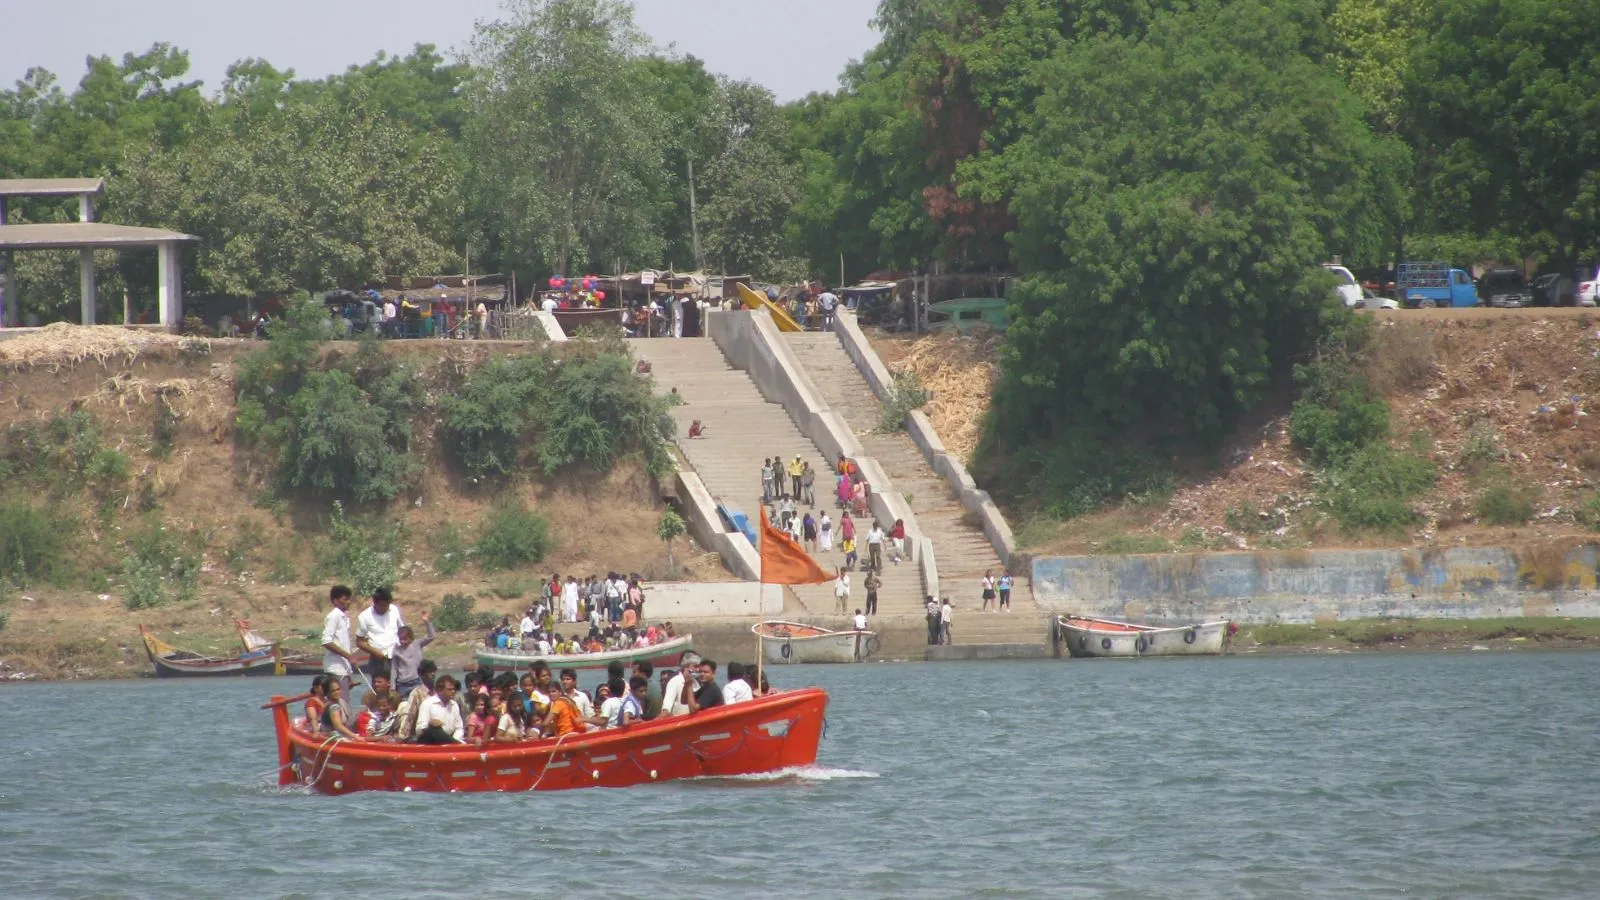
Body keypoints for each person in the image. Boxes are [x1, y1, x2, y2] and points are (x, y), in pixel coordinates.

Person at [355, 586, 404, 681]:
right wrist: (374, 651)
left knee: (398, 685)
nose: (385, 608)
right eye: (382, 605)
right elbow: (359, 642)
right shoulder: (364, 616)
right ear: (374, 602)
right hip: (378, 659)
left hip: (396, 655)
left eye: (387, 605)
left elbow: (402, 630)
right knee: (379, 686)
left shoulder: (394, 610)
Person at [320, 585, 358, 697]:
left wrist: (349, 675)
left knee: (344, 702)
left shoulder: (344, 617)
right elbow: (326, 641)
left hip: (343, 669)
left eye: (349, 599)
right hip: (335, 668)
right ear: (336, 600)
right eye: (345, 599)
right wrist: (349, 656)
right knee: (340, 702)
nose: (349, 602)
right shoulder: (334, 616)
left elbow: (343, 643)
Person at [395, 660, 439, 741]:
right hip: (423, 733)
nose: (432, 674)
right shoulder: (416, 694)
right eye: (429, 672)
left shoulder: (439, 692)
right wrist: (402, 737)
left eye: (433, 671)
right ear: (422, 675)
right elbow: (409, 716)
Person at [415, 674, 464, 744]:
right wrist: (430, 724)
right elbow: (419, 729)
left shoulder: (454, 705)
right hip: (430, 741)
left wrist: (454, 739)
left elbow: (459, 728)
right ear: (439, 690)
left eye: (454, 689)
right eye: (449, 689)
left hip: (449, 739)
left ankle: (453, 743)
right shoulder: (428, 703)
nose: (453, 692)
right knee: (435, 729)